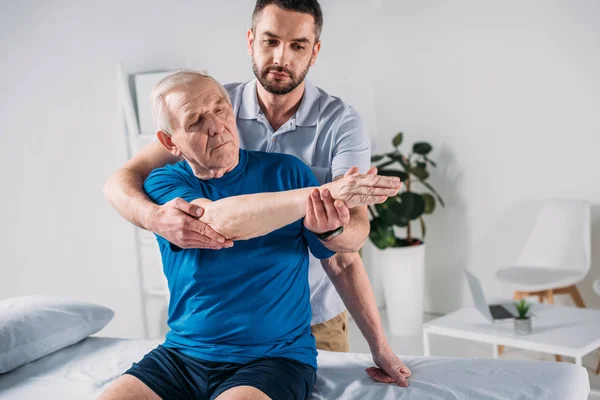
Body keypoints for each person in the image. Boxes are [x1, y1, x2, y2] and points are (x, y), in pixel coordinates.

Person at [104, 0, 411, 386]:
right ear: (251, 41)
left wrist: (330, 229)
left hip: (309, 318)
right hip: (193, 347)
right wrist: (154, 217)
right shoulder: (210, 101)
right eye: (270, 41)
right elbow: (123, 180)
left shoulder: (338, 125)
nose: (281, 57)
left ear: (314, 52)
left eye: (298, 45)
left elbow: (350, 247)